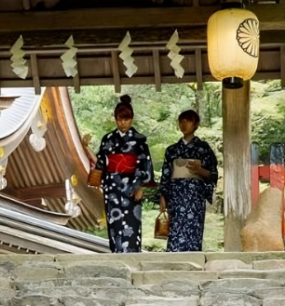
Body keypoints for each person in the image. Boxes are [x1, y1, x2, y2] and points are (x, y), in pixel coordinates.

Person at [92, 95, 154, 253]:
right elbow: (100, 163)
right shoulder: (108, 140)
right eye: (119, 119)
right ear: (115, 119)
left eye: (126, 119)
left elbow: (145, 165)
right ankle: (116, 254)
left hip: (132, 188)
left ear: (131, 119)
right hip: (112, 188)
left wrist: (140, 186)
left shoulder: (139, 140)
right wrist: (98, 180)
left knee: (131, 225)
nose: (122, 123)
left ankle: (132, 255)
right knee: (114, 225)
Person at [159, 109, 218, 252]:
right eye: (181, 121)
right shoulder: (172, 150)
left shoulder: (203, 149)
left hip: (195, 198)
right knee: (174, 233)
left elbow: (213, 174)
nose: (184, 125)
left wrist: (200, 171)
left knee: (194, 233)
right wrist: (162, 196)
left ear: (195, 124)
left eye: (188, 121)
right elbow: (166, 174)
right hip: (176, 197)